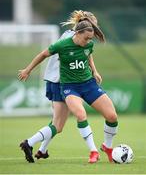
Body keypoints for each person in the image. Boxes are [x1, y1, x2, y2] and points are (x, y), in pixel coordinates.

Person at [18, 19, 118, 164]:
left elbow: (88, 53)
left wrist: (94, 71)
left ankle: (107, 147)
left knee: (112, 116)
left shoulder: (88, 44)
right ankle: (94, 151)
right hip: (69, 87)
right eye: (86, 38)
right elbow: (43, 54)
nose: (88, 41)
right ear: (78, 33)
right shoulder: (62, 44)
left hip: (88, 84)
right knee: (79, 115)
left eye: (90, 38)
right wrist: (28, 70)